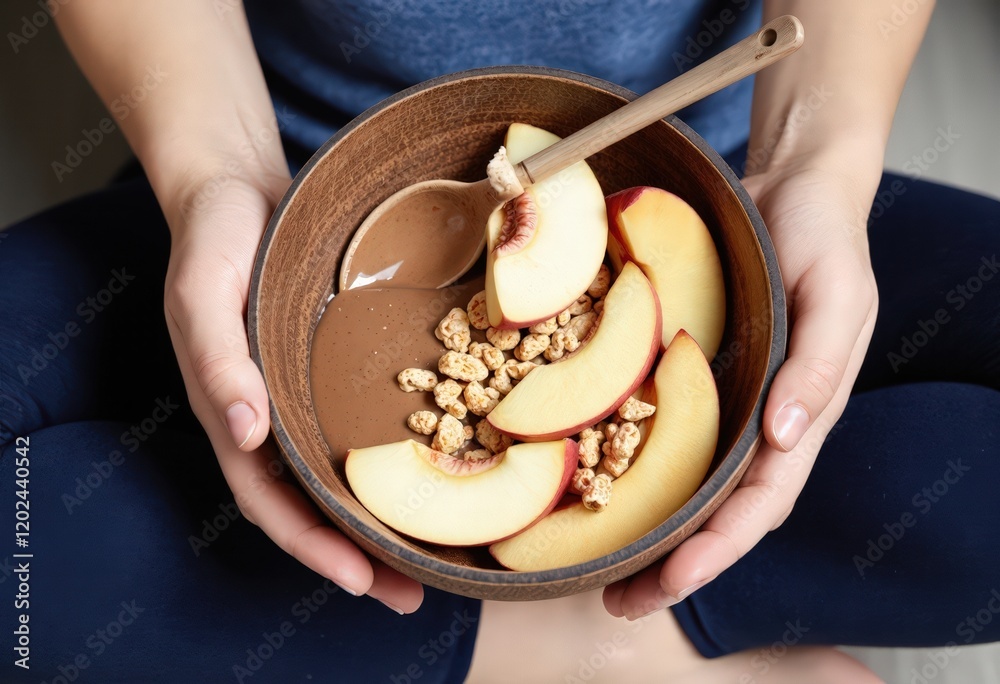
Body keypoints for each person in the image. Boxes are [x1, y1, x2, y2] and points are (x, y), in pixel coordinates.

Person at [2, 0, 998, 681]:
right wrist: (212, 173)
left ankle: (578, 631)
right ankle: (577, 655)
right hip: (270, 191)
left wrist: (818, 164)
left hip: (719, 193)